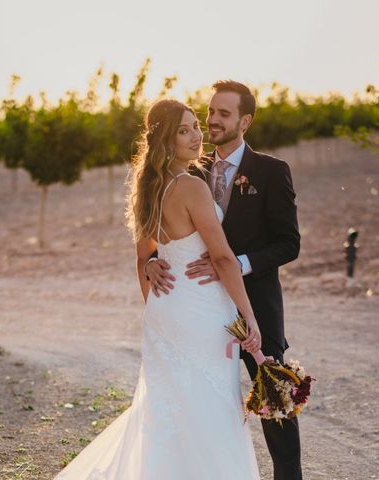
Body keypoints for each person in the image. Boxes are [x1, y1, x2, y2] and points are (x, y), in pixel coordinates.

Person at [55, 98, 261, 479]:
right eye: (184, 130)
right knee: (210, 408)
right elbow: (223, 258)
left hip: (166, 308)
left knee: (170, 408)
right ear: (165, 138)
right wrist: (249, 317)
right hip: (202, 311)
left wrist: (155, 303)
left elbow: (143, 258)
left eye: (196, 125)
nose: (196, 135)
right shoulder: (191, 187)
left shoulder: (148, 185)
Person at [146, 80, 302, 480]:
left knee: (275, 403)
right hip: (202, 310)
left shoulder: (271, 171)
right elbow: (155, 232)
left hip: (255, 303)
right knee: (208, 402)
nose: (211, 121)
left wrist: (238, 263)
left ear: (244, 121)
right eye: (209, 112)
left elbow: (289, 243)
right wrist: (150, 262)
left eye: (223, 114)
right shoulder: (187, 170)